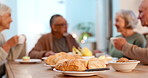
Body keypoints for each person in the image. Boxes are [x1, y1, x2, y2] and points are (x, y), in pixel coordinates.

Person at [114, 0, 148, 64]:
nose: (138, 17)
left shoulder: (139, 38)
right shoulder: (117, 37)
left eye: (141, 12)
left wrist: (124, 46)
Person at [0, 3, 26, 77]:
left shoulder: (1, 35)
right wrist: (8, 44)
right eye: (9, 16)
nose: (11, 20)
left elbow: (7, 58)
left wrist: (19, 43)